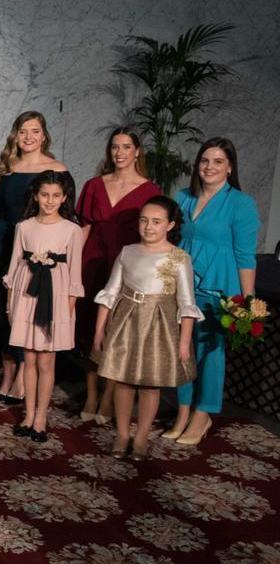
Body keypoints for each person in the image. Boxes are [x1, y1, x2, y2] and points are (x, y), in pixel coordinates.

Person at [93, 196, 201, 459]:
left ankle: (141, 438)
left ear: (170, 225)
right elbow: (110, 293)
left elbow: (187, 302)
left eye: (156, 222)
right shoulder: (128, 251)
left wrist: (184, 341)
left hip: (159, 325)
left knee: (150, 384)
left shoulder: (179, 258)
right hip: (126, 321)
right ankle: (121, 433)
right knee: (123, 380)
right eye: (144, 220)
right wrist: (99, 331)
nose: (149, 227)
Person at [168, 138, 260, 446]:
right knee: (182, 350)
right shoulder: (183, 197)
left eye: (218, 161)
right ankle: (182, 411)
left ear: (230, 167)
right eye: (204, 160)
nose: (209, 167)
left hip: (220, 290)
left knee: (210, 354)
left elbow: (246, 256)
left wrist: (246, 301)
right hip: (183, 286)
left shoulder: (241, 204)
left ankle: (203, 413)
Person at [76, 127, 161, 424]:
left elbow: (153, 236)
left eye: (126, 147)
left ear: (137, 151)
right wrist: (73, 269)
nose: (120, 153)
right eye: (115, 147)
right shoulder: (94, 185)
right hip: (93, 265)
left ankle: (110, 397)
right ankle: (90, 393)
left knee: (117, 334)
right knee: (90, 331)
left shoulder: (150, 191)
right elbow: (84, 229)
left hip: (127, 269)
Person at [0, 111, 73, 406]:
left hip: (39, 250)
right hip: (6, 245)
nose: (28, 137)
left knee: (29, 312)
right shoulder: (6, 168)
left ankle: (24, 375)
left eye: (34, 131)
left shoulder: (56, 169)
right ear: (15, 135)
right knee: (4, 313)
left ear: (44, 135)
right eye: (23, 131)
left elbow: (66, 216)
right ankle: (8, 374)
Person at [2, 172, 84, 443]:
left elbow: (75, 275)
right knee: (29, 359)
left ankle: (41, 417)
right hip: (27, 295)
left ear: (64, 198)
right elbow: (14, 267)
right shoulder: (24, 227)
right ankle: (27, 414)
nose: (50, 201)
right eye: (45, 195)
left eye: (56, 196)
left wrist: (68, 311)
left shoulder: (72, 230)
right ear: (36, 195)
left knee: (46, 361)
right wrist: (10, 306)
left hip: (56, 299)